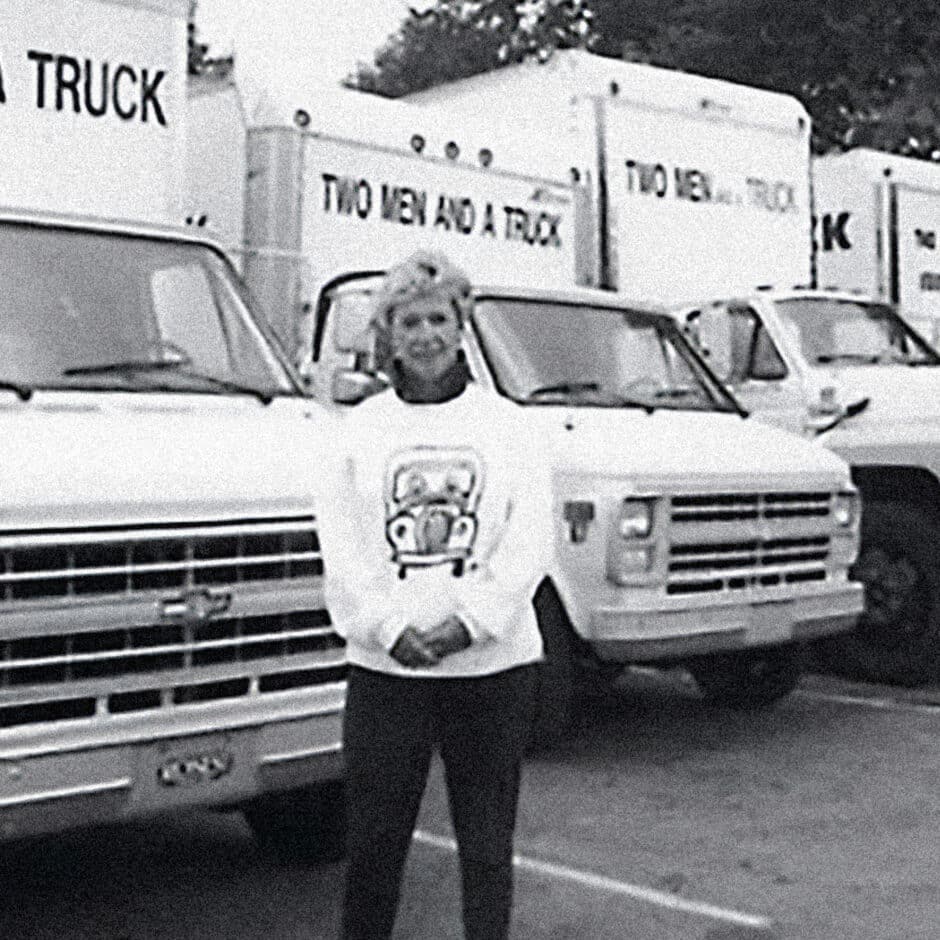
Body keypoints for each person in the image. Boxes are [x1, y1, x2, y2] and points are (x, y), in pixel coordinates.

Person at [316, 251, 552, 940]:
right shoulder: (357, 430)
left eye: (438, 319)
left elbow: (528, 541)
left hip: (492, 673)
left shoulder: (508, 425)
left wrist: (467, 626)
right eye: (409, 321)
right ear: (390, 331)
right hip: (388, 675)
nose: (425, 336)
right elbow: (344, 547)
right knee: (375, 846)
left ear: (461, 324)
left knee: (485, 849)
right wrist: (390, 630)